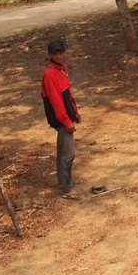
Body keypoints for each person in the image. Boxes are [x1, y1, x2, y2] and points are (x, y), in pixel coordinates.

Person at [41, 40, 81, 194]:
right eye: (55, 54)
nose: (59, 56)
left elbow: (67, 94)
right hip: (60, 118)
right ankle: (66, 185)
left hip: (66, 115)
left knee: (63, 150)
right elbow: (56, 101)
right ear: (50, 55)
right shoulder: (49, 73)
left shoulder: (62, 69)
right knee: (68, 154)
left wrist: (75, 112)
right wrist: (66, 121)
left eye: (61, 52)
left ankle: (65, 181)